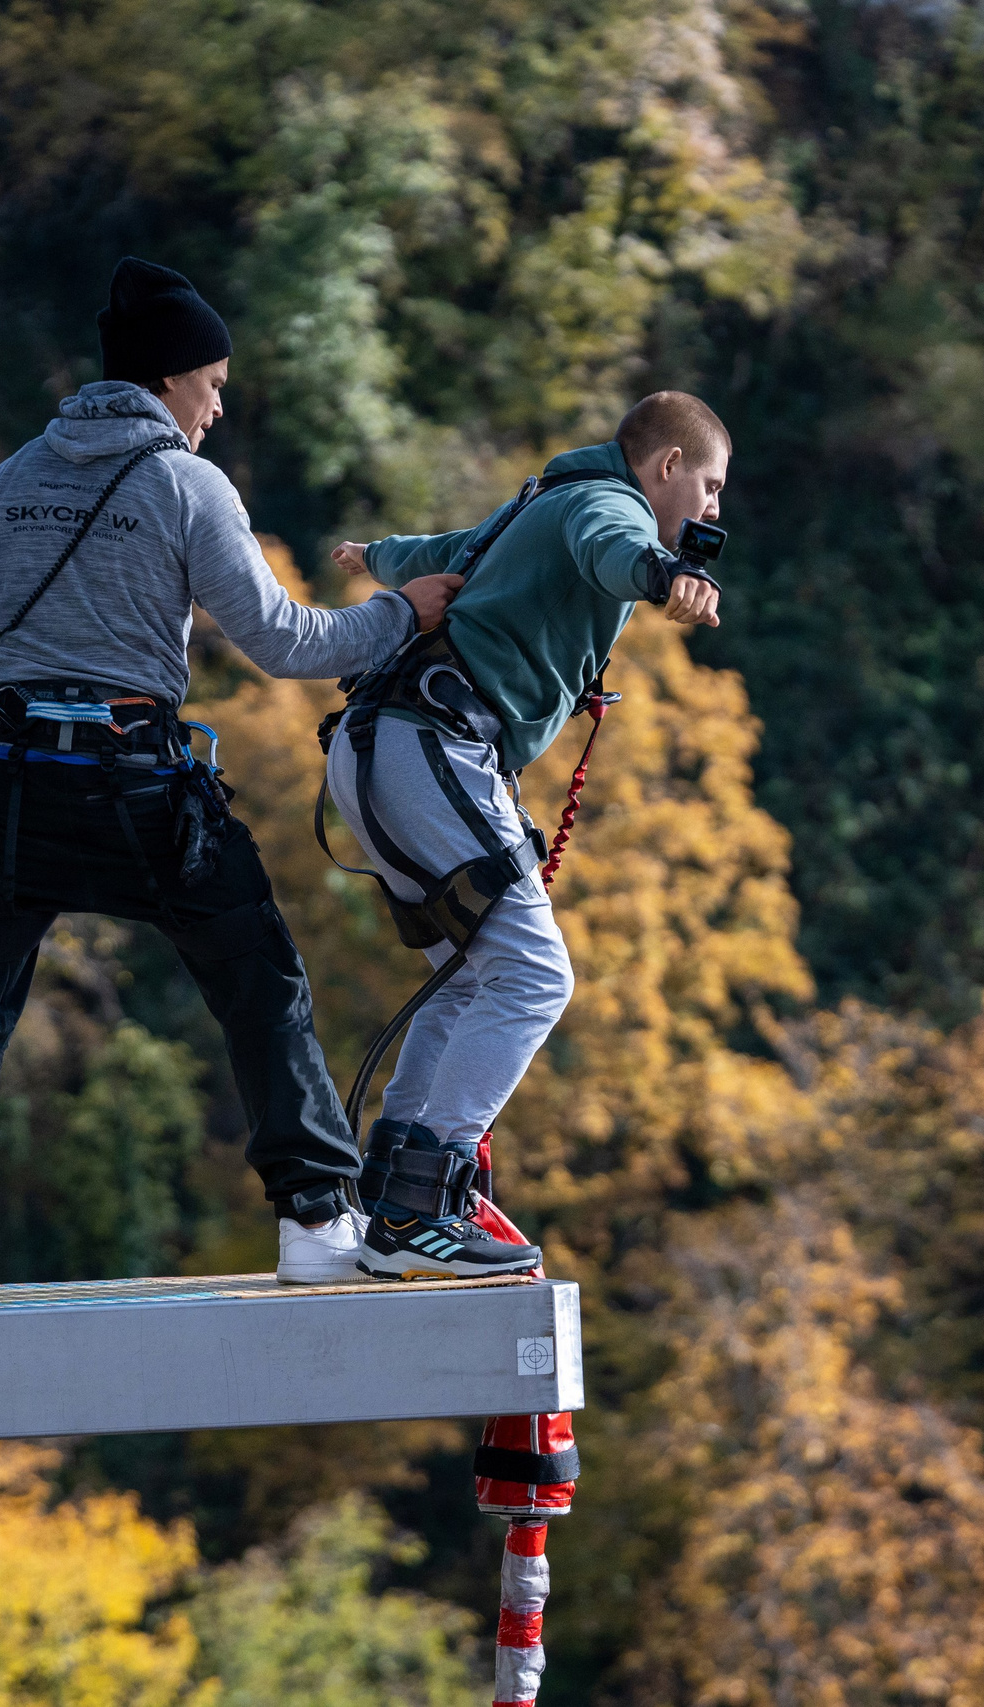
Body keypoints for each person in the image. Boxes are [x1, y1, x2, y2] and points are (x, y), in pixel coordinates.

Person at [0, 257, 460, 1305]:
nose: (216, 406)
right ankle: (313, 1221)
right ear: (170, 379)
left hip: (9, 787)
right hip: (136, 787)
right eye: (211, 381)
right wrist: (404, 612)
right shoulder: (184, 484)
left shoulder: (15, 476)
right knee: (257, 975)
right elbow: (282, 638)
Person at [324, 391, 726, 1281]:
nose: (711, 509)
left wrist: (375, 557)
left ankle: (393, 1187)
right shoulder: (609, 504)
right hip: (432, 743)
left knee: (471, 979)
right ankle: (421, 1206)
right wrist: (662, 578)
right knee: (536, 975)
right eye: (708, 484)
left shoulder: (546, 496)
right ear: (667, 466)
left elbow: (450, 552)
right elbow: (613, 552)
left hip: (381, 749)